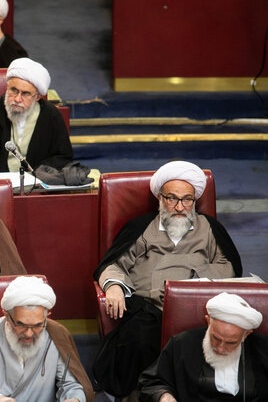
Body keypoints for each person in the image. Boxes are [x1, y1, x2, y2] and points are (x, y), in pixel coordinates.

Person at [92, 160, 243, 400]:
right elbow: (114, 264)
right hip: (148, 306)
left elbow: (230, 268)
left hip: (197, 308)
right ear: (160, 199)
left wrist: (192, 276)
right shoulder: (141, 228)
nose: (179, 207)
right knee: (138, 339)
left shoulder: (209, 229)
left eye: (187, 200)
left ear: (194, 201)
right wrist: (113, 287)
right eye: (172, 198)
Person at [138, 292, 268, 401]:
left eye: (231, 343)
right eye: (215, 338)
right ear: (208, 322)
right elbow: (151, 383)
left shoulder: (263, 349)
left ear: (246, 335)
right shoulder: (183, 344)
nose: (220, 348)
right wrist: (164, 396)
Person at [0, 57, 73, 179]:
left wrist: (41, 173)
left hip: (38, 187)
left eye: (25, 93)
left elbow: (63, 157)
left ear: (37, 97)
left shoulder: (51, 116)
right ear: (7, 87)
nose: (18, 99)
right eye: (14, 90)